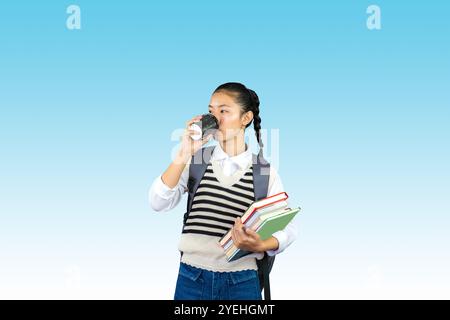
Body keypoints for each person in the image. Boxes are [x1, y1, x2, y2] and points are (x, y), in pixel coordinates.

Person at [149, 82, 297, 300]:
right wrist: (184, 152)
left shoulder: (265, 173)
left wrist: (261, 244)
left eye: (224, 111)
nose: (216, 118)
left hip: (242, 281)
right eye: (211, 111)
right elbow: (157, 202)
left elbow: (289, 228)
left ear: (245, 118)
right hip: (191, 277)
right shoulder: (194, 161)